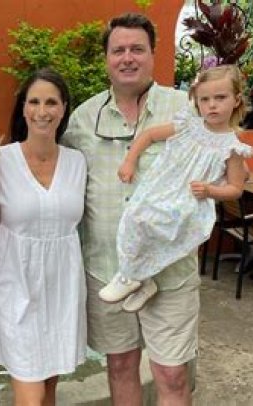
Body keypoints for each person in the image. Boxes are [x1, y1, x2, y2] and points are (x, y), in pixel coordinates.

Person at [62, 12, 198, 406]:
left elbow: (221, 158)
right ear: (106, 58)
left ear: (153, 54)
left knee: (172, 374)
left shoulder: (186, 110)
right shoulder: (82, 119)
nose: (127, 58)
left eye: (137, 49)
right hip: (106, 269)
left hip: (170, 273)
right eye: (118, 50)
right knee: (120, 366)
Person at [99, 64, 253, 312]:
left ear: (236, 101)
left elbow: (236, 188)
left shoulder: (233, 148)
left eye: (220, 98)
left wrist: (211, 190)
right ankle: (136, 277)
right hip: (163, 187)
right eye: (205, 99)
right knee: (135, 217)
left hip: (190, 199)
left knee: (165, 229)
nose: (212, 105)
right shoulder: (188, 125)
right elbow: (149, 135)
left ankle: (136, 277)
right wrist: (130, 161)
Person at [0, 67, 87, 405]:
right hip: (15, 287)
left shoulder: (77, 162)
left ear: (64, 108)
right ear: (23, 108)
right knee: (30, 395)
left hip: (62, 289)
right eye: (34, 102)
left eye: (51, 102)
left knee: (48, 390)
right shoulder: (0, 161)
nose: (42, 111)